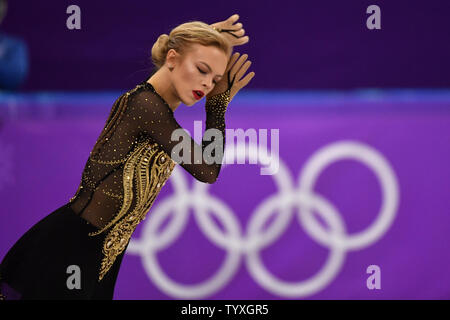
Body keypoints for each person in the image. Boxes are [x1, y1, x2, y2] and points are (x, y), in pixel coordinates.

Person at [0, 14, 255, 300]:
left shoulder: (155, 109)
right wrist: (217, 106)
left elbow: (205, 163)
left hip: (100, 256)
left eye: (216, 79)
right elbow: (208, 170)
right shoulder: (146, 106)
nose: (208, 84)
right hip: (69, 249)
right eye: (201, 69)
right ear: (172, 58)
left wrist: (201, 41)